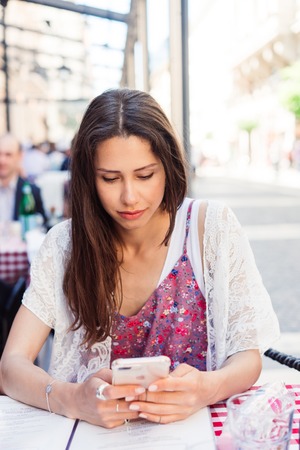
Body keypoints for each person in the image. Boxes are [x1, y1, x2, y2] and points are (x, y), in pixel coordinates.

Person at [0, 89, 280, 429]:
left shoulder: (212, 228)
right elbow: (11, 365)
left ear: (169, 167)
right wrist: (72, 398)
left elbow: (247, 354)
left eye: (145, 175)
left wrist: (207, 388)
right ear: (89, 179)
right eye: (110, 178)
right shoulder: (65, 245)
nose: (130, 197)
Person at [0, 133, 48, 225]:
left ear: (19, 156)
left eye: (8, 155)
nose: (2, 160)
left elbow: (43, 224)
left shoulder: (33, 191)